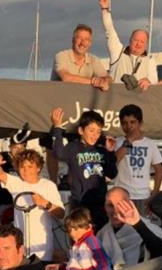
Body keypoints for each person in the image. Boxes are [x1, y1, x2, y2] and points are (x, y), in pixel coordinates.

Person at [45, 24, 113, 183]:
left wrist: (105, 81)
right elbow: (66, 77)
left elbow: (108, 77)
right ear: (73, 39)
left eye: (87, 39)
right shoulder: (61, 56)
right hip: (59, 110)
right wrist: (93, 81)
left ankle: (74, 180)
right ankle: (54, 183)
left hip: (80, 112)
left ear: (90, 43)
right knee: (52, 147)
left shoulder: (94, 60)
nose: (83, 42)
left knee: (80, 147)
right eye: (79, 38)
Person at [50, 108, 117, 230]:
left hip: (100, 204)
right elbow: (58, 153)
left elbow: (112, 174)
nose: (95, 135)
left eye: (98, 132)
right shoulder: (73, 148)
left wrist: (110, 152)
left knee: (100, 240)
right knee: (81, 239)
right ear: (81, 130)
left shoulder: (101, 149)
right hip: (80, 203)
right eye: (91, 130)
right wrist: (57, 128)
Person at [0, 148, 64, 262]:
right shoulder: (16, 183)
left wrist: (46, 204)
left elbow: (61, 213)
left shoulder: (48, 186)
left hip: (43, 247)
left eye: (30, 166)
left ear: (38, 168)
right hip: (20, 247)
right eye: (22, 167)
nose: (26, 170)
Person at [98, 0, 160, 90]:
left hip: (139, 101)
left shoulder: (150, 60)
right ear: (130, 40)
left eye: (142, 42)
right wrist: (105, 10)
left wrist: (148, 81)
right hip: (115, 100)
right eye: (136, 40)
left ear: (146, 44)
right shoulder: (118, 52)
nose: (138, 44)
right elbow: (110, 31)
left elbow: (154, 79)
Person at [114, 104, 162, 212]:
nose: (129, 126)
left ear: (140, 123)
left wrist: (155, 193)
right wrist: (130, 140)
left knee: (141, 226)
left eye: (132, 122)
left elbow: (159, 170)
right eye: (125, 123)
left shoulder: (149, 143)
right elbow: (114, 161)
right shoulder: (117, 142)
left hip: (143, 196)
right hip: (122, 195)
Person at [0, 138, 25, 224]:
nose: (19, 151)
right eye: (16, 148)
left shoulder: (24, 162)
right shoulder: (3, 157)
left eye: (21, 148)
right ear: (10, 147)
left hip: (14, 203)